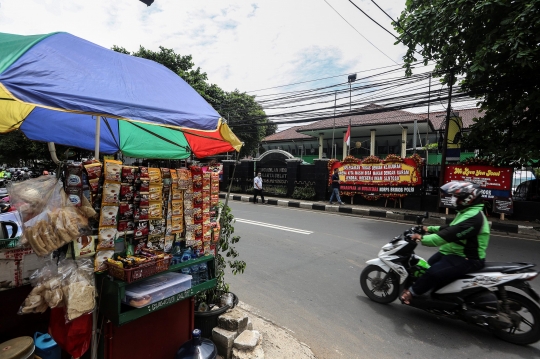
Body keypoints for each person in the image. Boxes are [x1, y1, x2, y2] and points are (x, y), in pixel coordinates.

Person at [401, 181, 489, 304]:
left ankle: (412, 293)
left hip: (468, 258)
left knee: (432, 273)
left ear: (468, 198)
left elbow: (445, 236)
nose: (453, 199)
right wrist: (428, 229)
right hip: (453, 252)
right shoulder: (466, 212)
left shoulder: (473, 218)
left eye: (456, 196)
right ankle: (432, 293)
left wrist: (420, 238)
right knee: (425, 267)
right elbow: (449, 228)